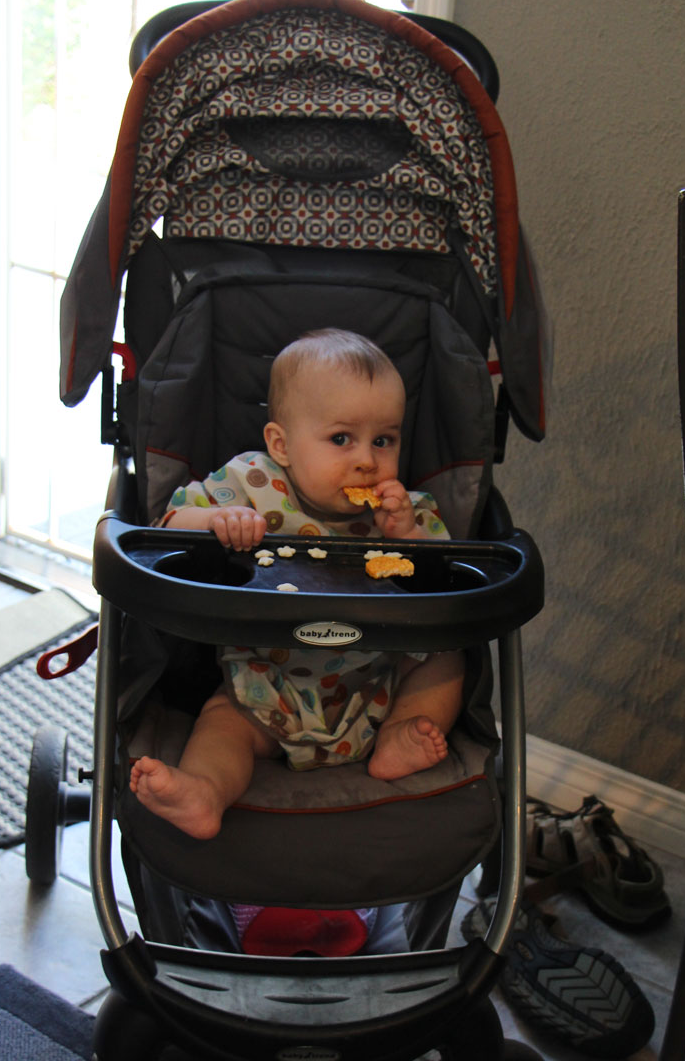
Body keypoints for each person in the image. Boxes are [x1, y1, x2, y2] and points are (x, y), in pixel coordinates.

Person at [130, 328, 465, 839]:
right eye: (341, 439)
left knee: (445, 658)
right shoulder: (250, 483)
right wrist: (218, 523)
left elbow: (448, 582)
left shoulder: (401, 510)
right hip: (268, 687)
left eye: (384, 440)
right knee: (224, 723)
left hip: (377, 685)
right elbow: (166, 528)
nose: (367, 461)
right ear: (280, 444)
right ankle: (204, 791)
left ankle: (401, 735)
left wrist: (411, 538)